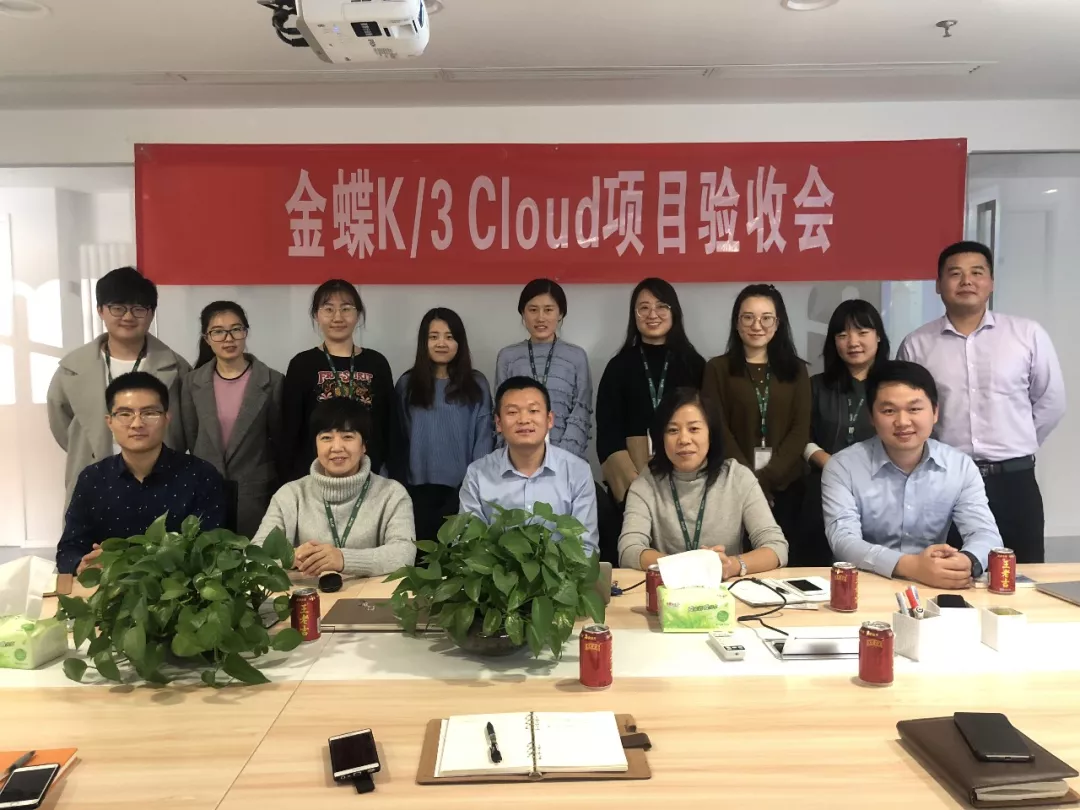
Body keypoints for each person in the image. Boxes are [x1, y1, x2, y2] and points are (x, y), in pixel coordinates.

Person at [897, 241, 1065, 564]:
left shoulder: (1026, 335)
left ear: (991, 282)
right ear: (938, 285)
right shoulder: (917, 344)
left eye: (977, 272)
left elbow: (1051, 401)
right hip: (947, 480)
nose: (967, 281)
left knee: (1022, 573)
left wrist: (1018, 441)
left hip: (1014, 480)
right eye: (955, 274)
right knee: (949, 572)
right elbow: (910, 411)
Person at [822, 360, 1001, 589]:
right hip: (862, 585)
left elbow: (985, 533)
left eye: (914, 409)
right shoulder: (842, 466)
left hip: (934, 585)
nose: (903, 422)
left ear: (935, 412)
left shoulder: (960, 466)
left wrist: (967, 562)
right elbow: (843, 541)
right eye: (889, 411)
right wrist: (912, 567)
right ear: (872, 417)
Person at [56, 372, 226, 575]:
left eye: (149, 413)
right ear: (109, 422)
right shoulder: (92, 478)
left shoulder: (201, 476)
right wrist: (82, 564)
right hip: (107, 588)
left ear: (167, 418)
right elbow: (68, 549)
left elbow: (212, 552)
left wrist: (125, 560)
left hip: (180, 591)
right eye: (125, 414)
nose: (137, 424)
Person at [48, 266, 189, 505]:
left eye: (138, 308)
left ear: (151, 313)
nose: (128, 317)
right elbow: (62, 426)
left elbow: (187, 428)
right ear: (100, 310)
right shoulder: (72, 368)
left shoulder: (178, 368)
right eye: (118, 307)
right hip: (93, 479)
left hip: (160, 480)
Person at [617, 388, 788, 576]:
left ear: (711, 434)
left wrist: (732, 565)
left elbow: (776, 547)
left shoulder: (737, 477)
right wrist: (683, 566)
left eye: (694, 429)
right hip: (668, 587)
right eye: (673, 430)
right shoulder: (646, 483)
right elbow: (629, 549)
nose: (684, 439)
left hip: (725, 588)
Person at [253, 398, 416, 578]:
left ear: (364, 446)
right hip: (305, 594)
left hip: (371, 595)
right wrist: (292, 557)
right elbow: (253, 556)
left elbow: (405, 554)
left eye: (348, 437)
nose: (336, 447)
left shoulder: (392, 494)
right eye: (326, 438)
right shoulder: (290, 495)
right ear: (315, 445)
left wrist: (343, 559)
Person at [702, 284, 810, 553]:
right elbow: (717, 428)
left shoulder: (796, 370)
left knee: (786, 559)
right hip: (732, 485)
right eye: (748, 317)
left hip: (788, 487)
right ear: (737, 323)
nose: (757, 325)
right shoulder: (717, 369)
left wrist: (767, 478)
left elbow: (800, 430)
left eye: (766, 318)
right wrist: (749, 480)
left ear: (778, 323)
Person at [596, 278, 706, 506]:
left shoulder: (695, 365)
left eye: (661, 306)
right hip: (631, 476)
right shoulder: (618, 366)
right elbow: (608, 431)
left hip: (687, 476)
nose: (652, 314)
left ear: (674, 312)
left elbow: (707, 425)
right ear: (634, 315)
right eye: (644, 308)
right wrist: (634, 486)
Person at [459, 377, 598, 556]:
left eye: (533, 410)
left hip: (562, 573)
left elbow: (585, 548)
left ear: (549, 419)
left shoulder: (577, 472)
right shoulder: (477, 474)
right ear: (499, 423)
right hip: (496, 573)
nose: (524, 419)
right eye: (512, 412)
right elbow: (469, 546)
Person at [180, 301, 284, 539]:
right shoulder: (191, 383)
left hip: (256, 491)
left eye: (236, 329)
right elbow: (192, 436)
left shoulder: (272, 381)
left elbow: (278, 441)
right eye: (218, 332)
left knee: (254, 554)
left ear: (246, 332)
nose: (228, 339)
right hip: (205, 488)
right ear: (207, 339)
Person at [800, 299, 891, 566]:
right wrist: (830, 463)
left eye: (862, 332)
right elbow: (800, 436)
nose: (853, 342)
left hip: (879, 489)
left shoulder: (892, 386)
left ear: (878, 336)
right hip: (821, 487)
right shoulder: (816, 386)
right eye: (842, 335)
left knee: (875, 564)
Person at [280, 279, 396, 482]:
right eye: (328, 309)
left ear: (358, 314)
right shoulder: (302, 364)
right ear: (316, 315)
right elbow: (290, 430)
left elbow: (389, 425)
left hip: (369, 475)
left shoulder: (376, 363)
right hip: (315, 477)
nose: (338, 317)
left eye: (346, 308)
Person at [395, 307, 494, 541]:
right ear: (424, 342)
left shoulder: (477, 384)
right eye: (434, 336)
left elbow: (483, 438)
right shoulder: (407, 384)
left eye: (449, 337)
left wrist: (474, 486)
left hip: (463, 492)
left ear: (460, 342)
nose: (442, 343)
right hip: (416, 492)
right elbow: (399, 439)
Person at [494, 279, 592, 460]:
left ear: (560, 313)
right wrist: (517, 456)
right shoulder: (507, 357)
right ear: (523, 313)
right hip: (517, 459)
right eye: (533, 310)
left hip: (567, 459)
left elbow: (581, 411)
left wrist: (562, 458)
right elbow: (502, 410)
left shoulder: (576, 356)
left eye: (548, 310)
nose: (540, 318)